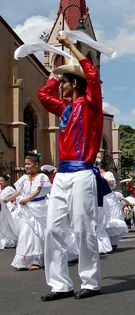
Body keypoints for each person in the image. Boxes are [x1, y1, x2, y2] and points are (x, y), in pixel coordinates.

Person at [37, 34, 104, 301]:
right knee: (53, 229)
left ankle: (90, 281)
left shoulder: (91, 105)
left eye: (64, 82)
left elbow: (93, 74)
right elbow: (43, 95)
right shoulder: (63, 107)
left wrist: (72, 48)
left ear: (74, 83)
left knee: (82, 227)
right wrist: (57, 71)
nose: (60, 86)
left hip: (82, 173)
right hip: (61, 175)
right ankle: (60, 284)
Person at [4, 153, 51, 271]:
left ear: (36, 164)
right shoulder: (24, 178)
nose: (26, 166)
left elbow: (37, 190)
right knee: (26, 234)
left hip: (38, 208)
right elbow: (17, 192)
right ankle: (26, 260)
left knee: (38, 233)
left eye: (29, 164)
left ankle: (38, 260)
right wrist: (5, 200)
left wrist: (27, 199)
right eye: (25, 164)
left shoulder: (42, 177)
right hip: (26, 210)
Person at [0, 174, 17, 249]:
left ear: (6, 181)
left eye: (2, 181)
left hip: (5, 208)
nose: (0, 182)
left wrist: (13, 202)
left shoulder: (9, 188)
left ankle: (7, 239)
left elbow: (16, 195)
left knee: (4, 224)